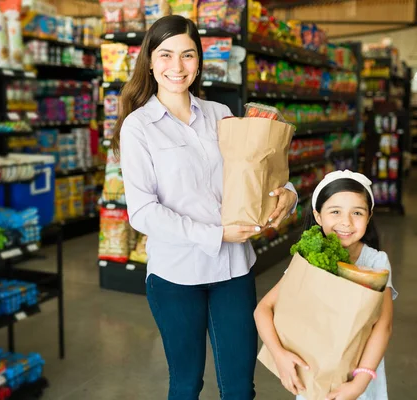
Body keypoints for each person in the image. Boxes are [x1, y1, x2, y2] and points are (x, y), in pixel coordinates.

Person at [111, 15, 298, 400]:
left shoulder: (220, 115)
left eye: (187, 55)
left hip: (234, 270)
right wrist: (217, 234)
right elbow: (143, 211)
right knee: (185, 383)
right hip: (176, 275)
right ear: (149, 60)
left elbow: (259, 170)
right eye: (165, 55)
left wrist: (289, 194)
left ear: (199, 62)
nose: (176, 67)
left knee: (239, 387)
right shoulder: (138, 127)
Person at [254, 170, 398, 400]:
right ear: (318, 216)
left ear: (369, 217)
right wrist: (279, 355)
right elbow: (262, 310)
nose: (346, 222)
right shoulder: (309, 257)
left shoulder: (375, 262)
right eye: (335, 212)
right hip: (314, 376)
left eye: (357, 213)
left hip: (358, 378)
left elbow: (383, 326)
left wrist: (358, 385)